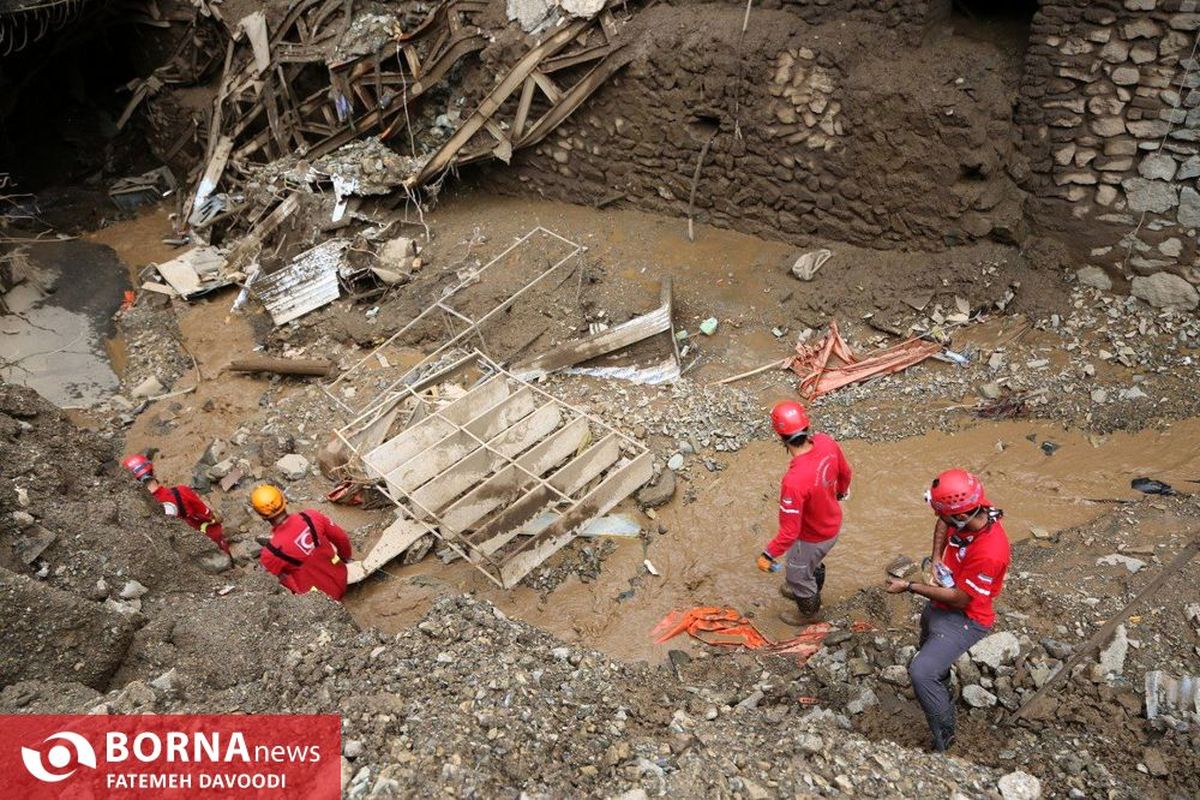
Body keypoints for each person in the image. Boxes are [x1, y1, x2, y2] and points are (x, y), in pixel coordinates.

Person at [885, 468, 1011, 753]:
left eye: (944, 514)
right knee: (928, 636)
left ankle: (945, 738)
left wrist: (909, 586)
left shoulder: (991, 552)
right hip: (942, 602)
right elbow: (944, 524)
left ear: (962, 516)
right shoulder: (970, 508)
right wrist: (937, 558)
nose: (940, 519)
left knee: (921, 671)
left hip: (966, 617)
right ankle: (943, 690)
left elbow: (961, 600)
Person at [755, 400, 852, 626]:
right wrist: (840, 492)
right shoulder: (827, 443)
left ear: (780, 437)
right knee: (811, 563)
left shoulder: (794, 481)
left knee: (796, 574)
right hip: (831, 526)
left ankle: (809, 612)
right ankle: (810, 586)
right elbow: (845, 472)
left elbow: (790, 532)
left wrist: (767, 555)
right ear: (807, 426)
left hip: (813, 537)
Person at [251, 484, 352, 601]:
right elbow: (341, 538)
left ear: (262, 516)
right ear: (284, 500)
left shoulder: (270, 554)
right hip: (340, 577)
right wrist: (345, 558)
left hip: (317, 599)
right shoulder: (312, 516)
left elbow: (268, 582)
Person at [122, 453, 230, 554]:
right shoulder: (181, 492)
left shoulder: (140, 510)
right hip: (205, 542)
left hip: (178, 552)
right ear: (153, 472)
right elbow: (207, 515)